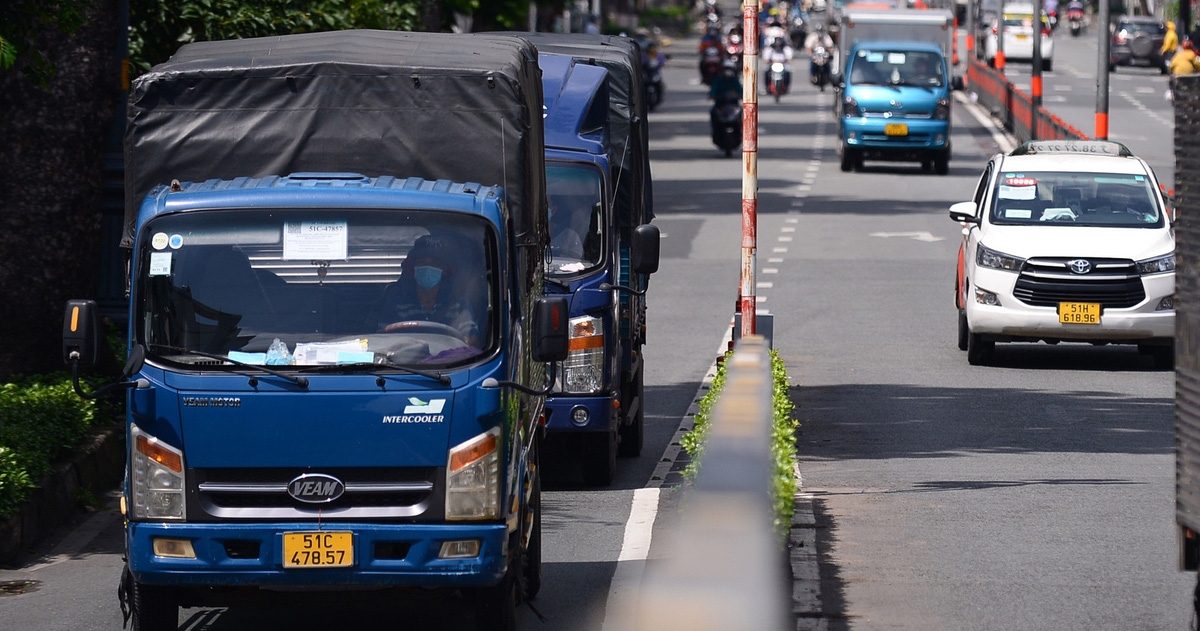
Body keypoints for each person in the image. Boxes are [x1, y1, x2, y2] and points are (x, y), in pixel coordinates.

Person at [376, 234, 481, 346]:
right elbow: (383, 340)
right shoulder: (396, 303)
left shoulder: (459, 305)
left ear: (445, 270)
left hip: (450, 362)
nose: (428, 267)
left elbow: (471, 341)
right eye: (422, 262)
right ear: (412, 268)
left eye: (435, 263)